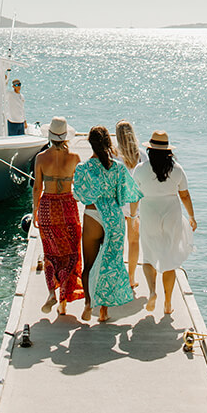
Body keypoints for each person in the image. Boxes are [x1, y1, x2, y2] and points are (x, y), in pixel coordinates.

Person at [74, 126, 143, 323]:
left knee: (89, 265)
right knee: (110, 264)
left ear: (90, 144)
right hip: (114, 218)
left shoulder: (83, 168)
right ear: (108, 144)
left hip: (94, 214)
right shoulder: (119, 168)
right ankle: (103, 311)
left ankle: (88, 304)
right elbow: (129, 194)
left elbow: (79, 195)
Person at [132, 130, 197, 315]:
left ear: (150, 150)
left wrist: (133, 216)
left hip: (149, 213)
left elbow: (134, 196)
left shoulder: (140, 169)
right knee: (170, 259)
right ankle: (168, 303)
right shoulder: (177, 169)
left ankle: (152, 292)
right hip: (171, 215)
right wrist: (192, 216)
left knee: (149, 257)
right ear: (168, 151)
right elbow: (184, 195)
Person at [33, 117, 84, 316]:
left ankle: (51, 293)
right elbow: (79, 189)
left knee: (51, 253)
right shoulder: (75, 158)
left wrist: (35, 210)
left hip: (47, 206)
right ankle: (63, 301)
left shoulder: (41, 158)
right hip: (68, 205)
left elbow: (37, 187)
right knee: (70, 253)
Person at [114, 119, 148, 289]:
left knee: (118, 243)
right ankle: (131, 277)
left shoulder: (113, 154)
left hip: (117, 205)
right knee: (134, 242)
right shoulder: (142, 155)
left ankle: (118, 276)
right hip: (136, 205)